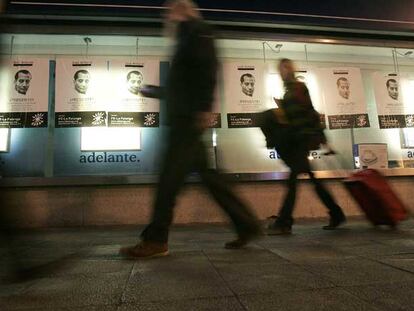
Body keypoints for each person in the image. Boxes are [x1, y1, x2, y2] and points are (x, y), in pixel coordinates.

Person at [119, 0, 261, 259]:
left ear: (182, 11)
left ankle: (156, 239)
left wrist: (204, 108)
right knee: (210, 179)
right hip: (186, 119)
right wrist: (152, 91)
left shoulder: (197, 31)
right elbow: (182, 87)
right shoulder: (188, 36)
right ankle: (247, 224)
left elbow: (209, 69)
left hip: (187, 121)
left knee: (169, 181)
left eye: (170, 12)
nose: (167, 18)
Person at [266, 58, 346, 235]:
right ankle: (336, 213)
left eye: (285, 68)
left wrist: (324, 140)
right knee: (311, 179)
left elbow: (311, 112)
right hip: (298, 140)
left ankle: (284, 221)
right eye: (280, 69)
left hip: (304, 139)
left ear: (291, 69)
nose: (282, 71)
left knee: (293, 181)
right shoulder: (288, 92)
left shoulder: (299, 88)